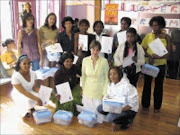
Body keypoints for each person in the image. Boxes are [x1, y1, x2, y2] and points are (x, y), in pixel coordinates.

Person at [141, 16, 171, 113]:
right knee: (147, 85)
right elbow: (142, 49)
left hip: (160, 65)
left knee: (159, 86)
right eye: (152, 25)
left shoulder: (166, 37)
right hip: (149, 64)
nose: (154, 27)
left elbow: (168, 53)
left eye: (156, 25)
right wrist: (149, 56)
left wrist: (159, 57)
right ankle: (145, 105)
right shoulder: (148, 36)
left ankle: (157, 107)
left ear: (161, 26)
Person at [97, 67, 139, 132]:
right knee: (100, 108)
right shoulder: (110, 84)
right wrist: (105, 99)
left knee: (109, 118)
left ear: (119, 74)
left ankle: (127, 120)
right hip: (116, 106)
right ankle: (117, 118)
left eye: (114, 74)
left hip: (129, 109)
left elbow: (132, 104)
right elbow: (110, 97)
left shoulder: (127, 86)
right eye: (110, 74)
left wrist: (117, 110)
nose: (112, 76)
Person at [81, 40, 109, 122]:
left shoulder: (104, 61)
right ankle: (87, 120)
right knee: (87, 111)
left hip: (99, 90)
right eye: (93, 49)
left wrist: (104, 92)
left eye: (97, 50)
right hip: (87, 89)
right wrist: (82, 88)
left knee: (98, 112)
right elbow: (83, 76)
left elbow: (106, 78)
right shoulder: (85, 60)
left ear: (100, 51)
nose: (95, 52)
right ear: (90, 49)